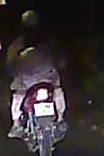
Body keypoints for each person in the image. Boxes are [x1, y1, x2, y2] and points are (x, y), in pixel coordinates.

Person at [5, 10, 67, 138]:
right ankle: (60, 118)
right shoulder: (49, 40)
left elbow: (11, 62)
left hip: (26, 79)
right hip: (48, 77)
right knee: (57, 90)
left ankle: (16, 124)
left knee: (18, 96)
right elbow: (59, 58)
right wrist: (60, 67)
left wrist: (13, 72)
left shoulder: (18, 43)